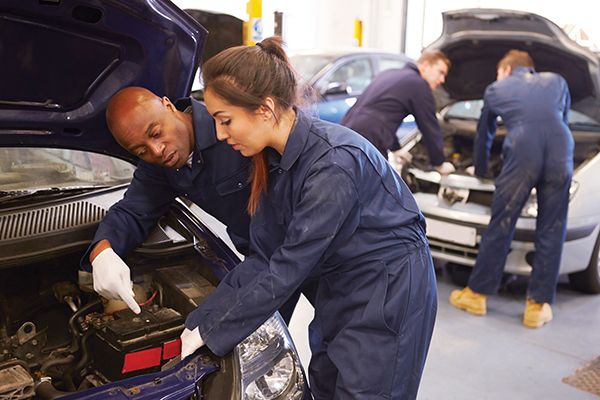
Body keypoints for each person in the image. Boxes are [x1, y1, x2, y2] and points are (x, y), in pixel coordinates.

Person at [179, 36, 438, 399]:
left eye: (225, 120)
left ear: (265, 109)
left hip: (387, 286)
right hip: (339, 283)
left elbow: (287, 268)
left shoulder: (332, 164)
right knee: (327, 384)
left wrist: (216, 333)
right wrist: (199, 323)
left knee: (368, 392)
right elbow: (264, 256)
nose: (220, 134)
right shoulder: (274, 161)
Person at [83, 87, 252, 313]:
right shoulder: (159, 168)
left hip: (306, 239)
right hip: (260, 259)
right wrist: (102, 253)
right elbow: (133, 210)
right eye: (142, 151)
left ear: (168, 105)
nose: (156, 151)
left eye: (155, 133)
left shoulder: (227, 123)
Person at [449, 50, 573, 328]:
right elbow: (560, 120)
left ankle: (477, 295)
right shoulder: (556, 81)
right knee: (552, 227)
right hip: (561, 151)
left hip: (522, 151)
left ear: (505, 70)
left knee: (502, 223)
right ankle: (537, 307)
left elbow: (485, 134)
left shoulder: (497, 88)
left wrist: (481, 171)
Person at [341, 50, 455, 175]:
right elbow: (429, 126)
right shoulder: (418, 84)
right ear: (426, 65)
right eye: (441, 72)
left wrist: (396, 148)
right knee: (376, 187)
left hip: (347, 129)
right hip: (370, 138)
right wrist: (439, 163)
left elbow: (382, 114)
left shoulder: (390, 74)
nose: (442, 80)